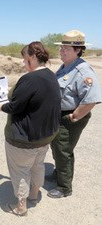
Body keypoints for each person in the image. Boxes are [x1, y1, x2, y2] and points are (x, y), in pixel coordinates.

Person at [0, 42, 61, 216]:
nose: (23, 62)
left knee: (20, 171)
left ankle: (21, 206)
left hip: (24, 138)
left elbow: (14, 107)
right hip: (45, 136)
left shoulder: (29, 79)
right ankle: (34, 195)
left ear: (33, 57)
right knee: (37, 166)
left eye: (25, 58)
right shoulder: (51, 75)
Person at [46, 30, 102, 198]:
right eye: (61, 48)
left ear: (78, 50)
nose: (62, 51)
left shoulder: (83, 71)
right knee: (56, 146)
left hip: (70, 116)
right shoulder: (65, 67)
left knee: (64, 150)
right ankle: (58, 173)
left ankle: (64, 187)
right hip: (59, 114)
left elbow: (91, 100)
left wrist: (74, 116)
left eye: (66, 49)